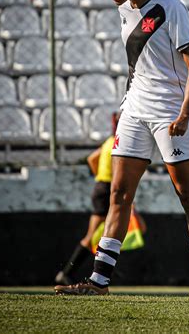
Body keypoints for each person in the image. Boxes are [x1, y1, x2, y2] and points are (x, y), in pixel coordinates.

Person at [55, 0, 189, 298]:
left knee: (187, 195)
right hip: (135, 111)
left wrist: (185, 112)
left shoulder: (171, 8)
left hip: (170, 114)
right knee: (119, 194)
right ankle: (98, 282)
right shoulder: (124, 8)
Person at [54, 112, 146, 286]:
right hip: (107, 190)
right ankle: (68, 273)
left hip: (101, 187)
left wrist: (100, 174)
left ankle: (76, 273)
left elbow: (92, 158)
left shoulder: (108, 142)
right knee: (93, 236)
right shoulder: (120, 144)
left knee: (98, 235)